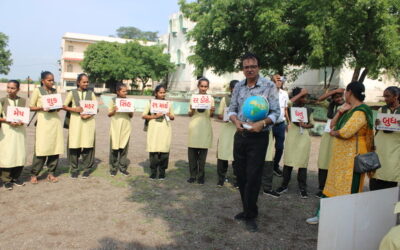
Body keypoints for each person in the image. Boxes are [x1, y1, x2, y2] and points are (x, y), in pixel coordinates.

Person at [306, 81, 374, 224]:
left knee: (349, 188)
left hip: (353, 158)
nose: (344, 95)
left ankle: (346, 220)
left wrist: (334, 133)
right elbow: (332, 124)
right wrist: (340, 111)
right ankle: (324, 215)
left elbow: (346, 132)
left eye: (345, 92)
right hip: (340, 156)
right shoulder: (349, 109)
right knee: (333, 185)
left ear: (349, 92)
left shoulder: (361, 111)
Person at [228, 52, 280, 232]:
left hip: (259, 137)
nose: (249, 69)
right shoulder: (238, 87)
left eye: (253, 66)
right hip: (240, 135)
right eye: (246, 67)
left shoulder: (269, 86)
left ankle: (251, 214)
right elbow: (231, 109)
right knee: (240, 175)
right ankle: (246, 209)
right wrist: (235, 122)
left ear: (258, 67)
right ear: (242, 69)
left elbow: (276, 113)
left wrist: (262, 123)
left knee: (253, 176)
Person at [276, 87, 314, 198]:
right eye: (302, 97)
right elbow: (287, 102)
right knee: (288, 162)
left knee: (302, 164)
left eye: (305, 96)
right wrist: (301, 93)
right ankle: (284, 185)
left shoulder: (308, 110)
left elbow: (312, 123)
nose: (304, 99)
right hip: (292, 138)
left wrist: (306, 125)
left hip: (304, 139)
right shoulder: (292, 107)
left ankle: (303, 188)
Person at [29, 71, 64, 184]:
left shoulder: (55, 91)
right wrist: (41, 107)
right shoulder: (37, 91)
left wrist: (58, 107)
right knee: (41, 148)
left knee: (54, 147)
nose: (51, 82)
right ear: (43, 80)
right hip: (43, 123)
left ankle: (51, 173)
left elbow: (59, 107)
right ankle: (34, 174)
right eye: (49, 80)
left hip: (55, 122)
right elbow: (31, 107)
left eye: (52, 80)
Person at [63, 73, 96, 179]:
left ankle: (87, 169)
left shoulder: (91, 93)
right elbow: (63, 106)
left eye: (87, 82)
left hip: (88, 124)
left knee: (87, 146)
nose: (86, 84)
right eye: (84, 82)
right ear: (78, 82)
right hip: (75, 123)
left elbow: (96, 108)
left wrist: (89, 115)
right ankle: (74, 169)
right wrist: (74, 109)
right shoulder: (72, 93)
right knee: (74, 146)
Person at [315, 88, 345, 197]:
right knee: (324, 160)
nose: (339, 99)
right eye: (336, 97)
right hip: (327, 136)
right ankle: (322, 188)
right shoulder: (330, 106)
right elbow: (319, 99)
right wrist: (334, 91)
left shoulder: (347, 106)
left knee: (335, 161)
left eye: (341, 96)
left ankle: (333, 188)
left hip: (339, 136)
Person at [370, 86, 400, 190]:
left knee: (391, 175)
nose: (385, 99)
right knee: (376, 173)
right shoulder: (381, 109)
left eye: (387, 96)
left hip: (395, 149)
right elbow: (377, 129)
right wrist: (377, 124)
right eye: (384, 96)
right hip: (380, 147)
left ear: (396, 97)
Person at [142, 85, 175, 180]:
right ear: (156, 93)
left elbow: (173, 117)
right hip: (154, 130)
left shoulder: (168, 104)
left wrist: (169, 114)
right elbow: (143, 116)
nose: (162, 94)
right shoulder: (150, 103)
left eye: (164, 92)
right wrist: (154, 116)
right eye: (160, 92)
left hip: (165, 129)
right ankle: (153, 172)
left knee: (164, 151)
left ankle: (162, 172)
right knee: (153, 151)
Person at [187, 78, 215, 185]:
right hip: (194, 128)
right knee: (192, 155)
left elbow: (211, 116)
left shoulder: (210, 99)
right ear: (198, 86)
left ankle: (201, 176)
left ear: (208, 87)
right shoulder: (193, 98)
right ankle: (192, 176)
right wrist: (193, 109)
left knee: (203, 157)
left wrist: (212, 111)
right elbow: (190, 114)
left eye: (205, 86)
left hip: (205, 128)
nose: (203, 88)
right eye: (201, 86)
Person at [0, 80, 27, 190]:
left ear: (18, 89)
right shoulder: (2, 101)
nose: (10, 90)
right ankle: (6, 179)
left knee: (19, 154)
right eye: (8, 87)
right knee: (8, 155)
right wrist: (7, 120)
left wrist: (21, 122)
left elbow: (24, 116)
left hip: (19, 132)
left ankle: (16, 177)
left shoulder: (22, 101)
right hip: (7, 132)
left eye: (13, 88)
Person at [216, 80, 239, 187]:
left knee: (237, 156)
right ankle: (221, 178)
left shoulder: (244, 100)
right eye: (235, 88)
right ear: (231, 89)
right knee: (223, 154)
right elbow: (219, 115)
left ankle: (237, 179)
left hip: (238, 130)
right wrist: (226, 117)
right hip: (226, 131)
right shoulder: (225, 99)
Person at [108, 83, 133, 177]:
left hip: (126, 127)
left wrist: (129, 110)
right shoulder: (113, 100)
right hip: (115, 128)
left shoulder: (129, 101)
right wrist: (114, 110)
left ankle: (122, 168)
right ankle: (113, 168)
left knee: (124, 149)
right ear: (118, 92)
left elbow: (131, 115)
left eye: (126, 91)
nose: (125, 92)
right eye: (123, 91)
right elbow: (109, 114)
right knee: (114, 148)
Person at [270, 74, 289, 177]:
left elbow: (285, 109)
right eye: (277, 80)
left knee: (280, 147)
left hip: (281, 124)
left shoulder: (284, 94)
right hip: (269, 125)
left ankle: (275, 166)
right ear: (272, 81)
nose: (279, 81)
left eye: (280, 80)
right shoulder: (268, 93)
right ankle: (266, 167)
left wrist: (288, 123)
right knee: (267, 146)